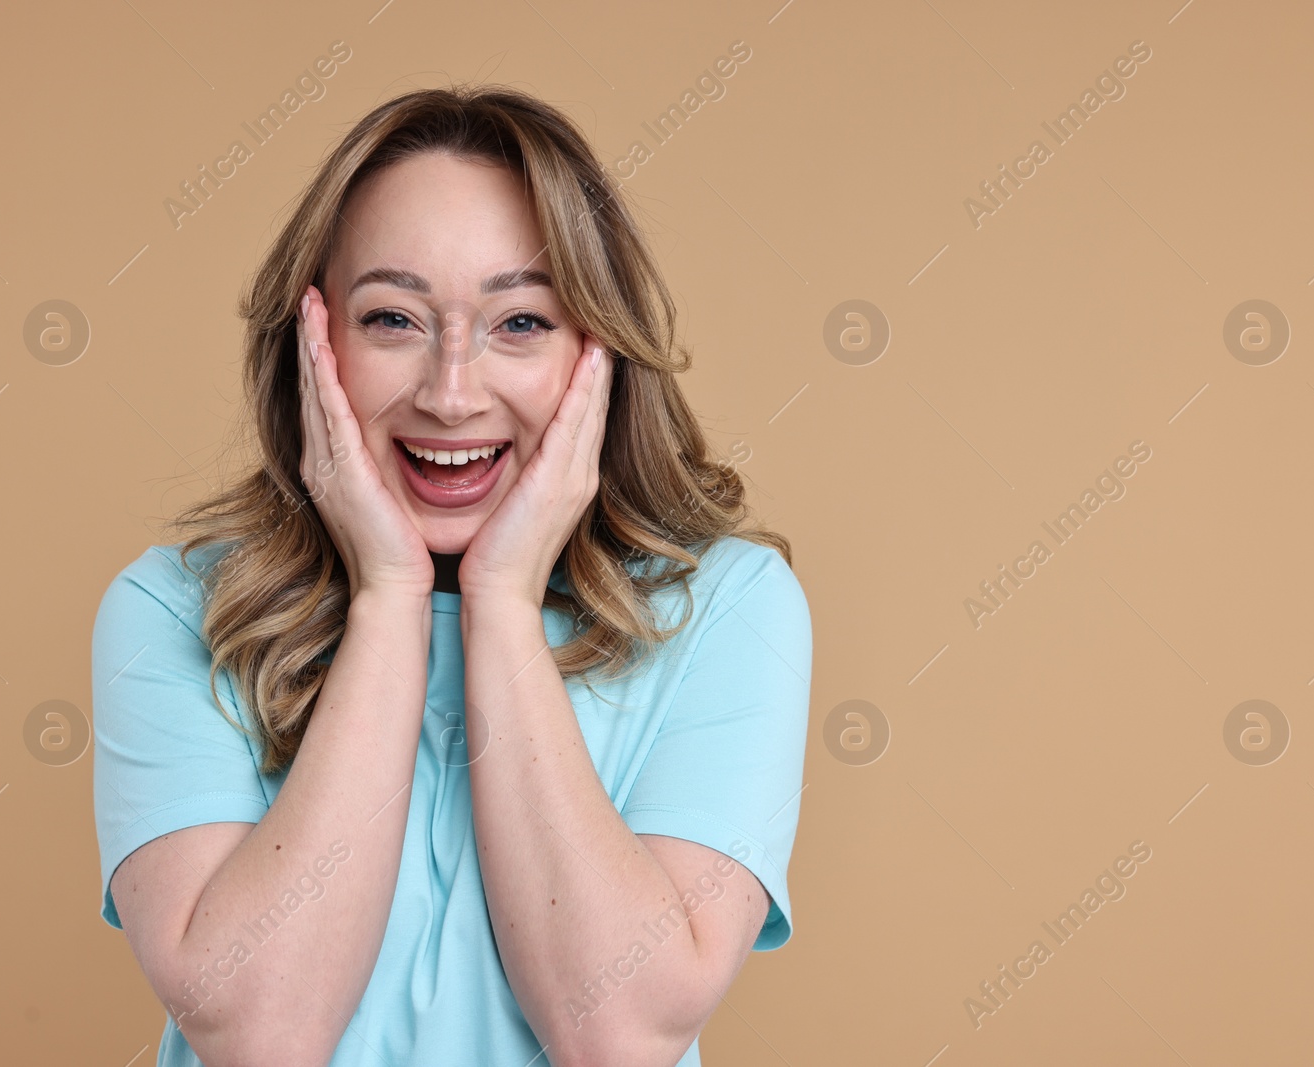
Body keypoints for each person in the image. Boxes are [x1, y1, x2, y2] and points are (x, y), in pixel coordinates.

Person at [90, 85, 813, 1067]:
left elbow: (620, 1033)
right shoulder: (172, 609)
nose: (450, 391)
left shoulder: (730, 607)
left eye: (519, 322)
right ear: (315, 345)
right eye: (393, 318)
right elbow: (260, 1030)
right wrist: (389, 594)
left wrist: (502, 603)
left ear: (596, 355)